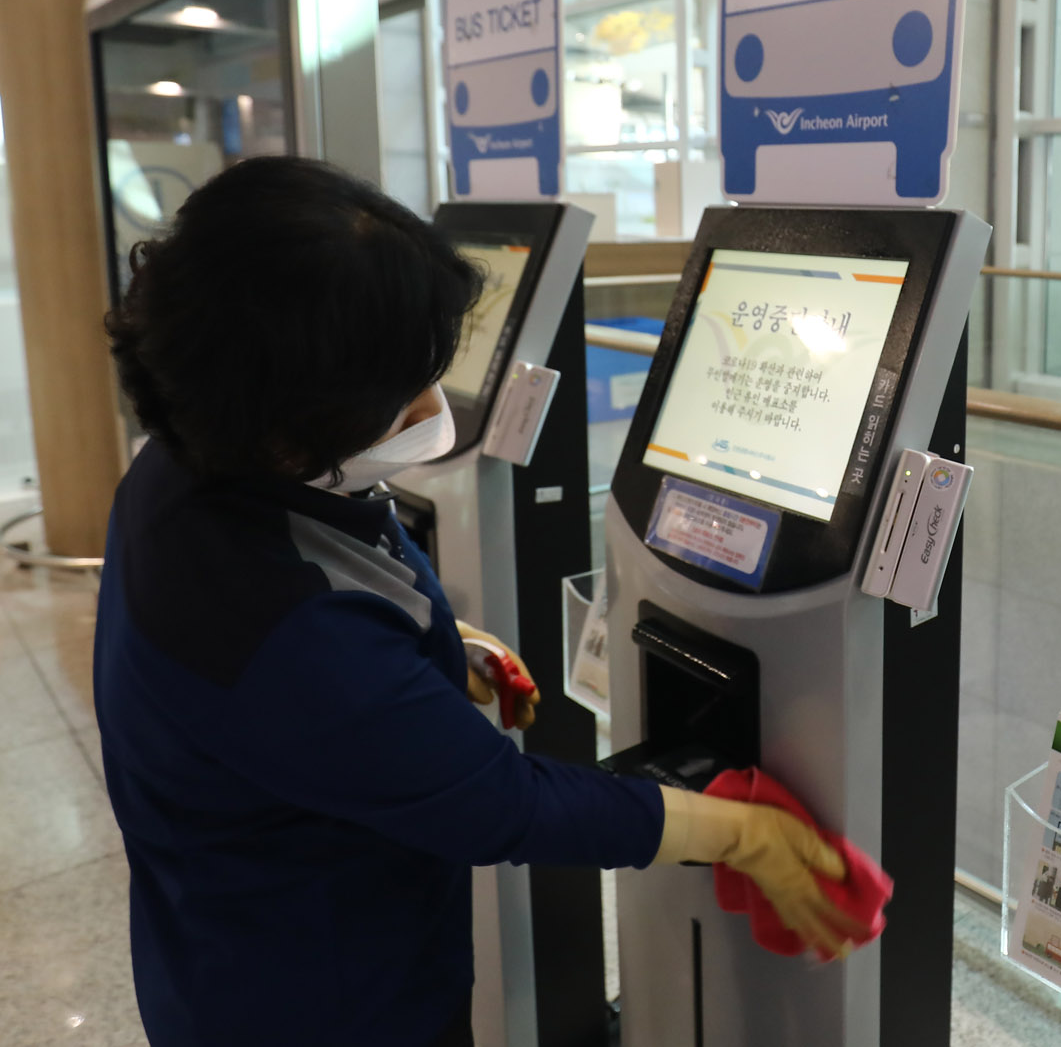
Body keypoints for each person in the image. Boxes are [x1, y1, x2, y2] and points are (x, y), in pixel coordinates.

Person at [94, 158, 867, 1047]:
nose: (432, 407)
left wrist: (428, 648)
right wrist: (742, 835)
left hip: (217, 946)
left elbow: (329, 609)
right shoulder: (288, 633)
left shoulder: (183, 462)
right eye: (394, 400)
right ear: (285, 423)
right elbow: (502, 805)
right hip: (324, 998)